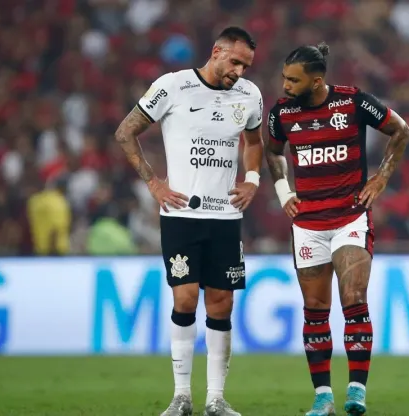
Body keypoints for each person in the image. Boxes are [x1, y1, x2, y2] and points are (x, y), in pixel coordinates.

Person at [114, 27, 264, 416]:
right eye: (235, 62)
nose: (239, 72)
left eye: (246, 66)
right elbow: (126, 131)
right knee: (185, 297)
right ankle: (182, 396)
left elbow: (254, 141)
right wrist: (154, 183)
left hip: (226, 217)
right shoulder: (172, 86)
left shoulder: (249, 96)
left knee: (222, 304)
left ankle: (216, 398)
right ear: (216, 52)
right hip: (181, 214)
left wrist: (252, 180)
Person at [264, 42, 409, 416]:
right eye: (284, 77)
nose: (285, 86)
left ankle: (357, 390)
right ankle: (322, 397)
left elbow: (401, 130)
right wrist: (283, 191)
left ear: (317, 80)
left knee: (354, 299)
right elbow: (272, 151)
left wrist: (380, 178)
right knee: (314, 310)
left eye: (293, 80)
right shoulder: (282, 113)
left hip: (349, 217)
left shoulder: (354, 102)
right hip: (308, 224)